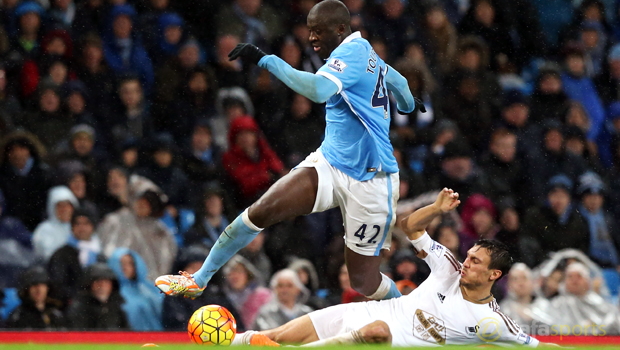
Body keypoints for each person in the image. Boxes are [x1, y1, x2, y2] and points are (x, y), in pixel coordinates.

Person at [156, 0, 422, 302]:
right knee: (260, 211)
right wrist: (408, 104)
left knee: (363, 280)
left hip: (374, 180)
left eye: (318, 31)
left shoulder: (350, 54)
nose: (311, 38)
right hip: (332, 164)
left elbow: (317, 91)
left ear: (339, 29)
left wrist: (266, 60)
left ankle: (408, 312)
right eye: (310, 31)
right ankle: (199, 279)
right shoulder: (365, 51)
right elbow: (396, 80)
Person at [232, 189, 545, 347]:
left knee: (378, 332)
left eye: (475, 261)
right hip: (360, 316)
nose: (466, 263)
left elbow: (539, 345)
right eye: (469, 256)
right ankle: (219, 339)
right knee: (270, 337)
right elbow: (410, 227)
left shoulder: (493, 320)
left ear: (494, 275)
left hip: (383, 342)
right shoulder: (448, 267)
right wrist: (435, 208)